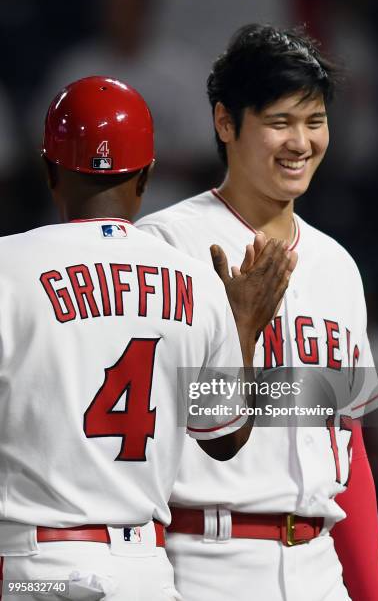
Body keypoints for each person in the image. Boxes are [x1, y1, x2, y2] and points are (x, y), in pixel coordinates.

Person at [0, 76, 294, 600]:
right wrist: (243, 328)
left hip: (36, 569)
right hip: (144, 572)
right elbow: (223, 438)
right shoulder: (197, 282)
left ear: (50, 170)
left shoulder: (7, 267)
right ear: (146, 178)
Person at [136, 24, 378, 600]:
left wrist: (370, 593)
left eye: (314, 121)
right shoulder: (167, 247)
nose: (300, 141)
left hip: (319, 568)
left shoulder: (337, 265)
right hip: (204, 561)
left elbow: (347, 448)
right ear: (226, 123)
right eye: (280, 122)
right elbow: (145, 424)